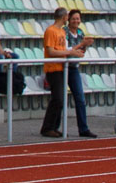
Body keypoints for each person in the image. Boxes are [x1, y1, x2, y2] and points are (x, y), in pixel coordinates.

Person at [41, 8, 85, 138]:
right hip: (53, 68)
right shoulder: (51, 31)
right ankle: (48, 127)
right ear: (64, 17)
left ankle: (52, 126)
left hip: (61, 67)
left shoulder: (61, 31)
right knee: (58, 98)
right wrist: (70, 52)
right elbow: (51, 51)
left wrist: (74, 51)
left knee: (59, 99)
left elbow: (64, 49)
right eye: (67, 16)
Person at [65, 9, 97, 137]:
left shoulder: (80, 32)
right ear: (69, 20)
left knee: (80, 99)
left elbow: (81, 52)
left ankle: (83, 128)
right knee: (58, 100)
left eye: (78, 19)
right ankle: (52, 127)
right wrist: (82, 44)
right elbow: (66, 50)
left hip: (74, 68)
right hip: (63, 67)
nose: (76, 21)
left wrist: (85, 45)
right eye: (74, 19)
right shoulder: (64, 32)